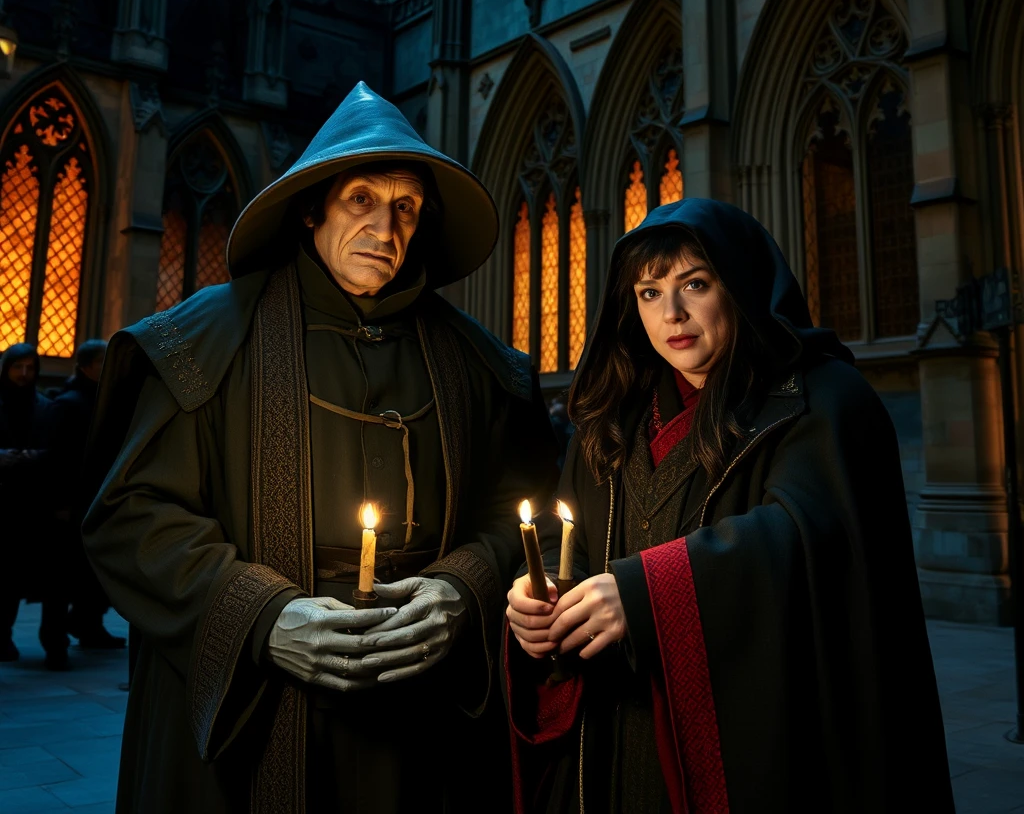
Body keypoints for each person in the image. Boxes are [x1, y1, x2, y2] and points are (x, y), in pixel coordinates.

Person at [83, 81, 558, 814]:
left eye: (406, 208)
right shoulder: (205, 341)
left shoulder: (477, 364)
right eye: (362, 199)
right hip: (260, 715)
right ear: (312, 209)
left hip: (421, 725)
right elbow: (132, 515)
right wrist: (264, 616)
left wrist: (462, 589)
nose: (385, 228)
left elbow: (520, 515)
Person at [504, 198, 954, 814]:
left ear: (737, 284)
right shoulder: (608, 420)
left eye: (695, 283)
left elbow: (807, 540)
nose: (673, 314)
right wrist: (546, 608)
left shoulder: (824, 400)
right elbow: (573, 555)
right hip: (610, 745)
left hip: (757, 747)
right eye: (649, 292)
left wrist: (642, 595)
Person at [41, 339, 124, 652]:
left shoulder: (108, 398)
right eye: (103, 361)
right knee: (61, 578)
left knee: (96, 571)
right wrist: (59, 503)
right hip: (72, 502)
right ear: (87, 365)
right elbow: (57, 459)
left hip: (99, 499)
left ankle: (90, 626)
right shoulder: (68, 403)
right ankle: (55, 641)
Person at [0, 343, 52, 664]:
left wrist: (34, 457)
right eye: (17, 367)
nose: (23, 374)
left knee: (10, 577)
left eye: (30, 368)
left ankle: (3, 634)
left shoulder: (44, 406)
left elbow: (58, 449)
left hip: (23, 505)